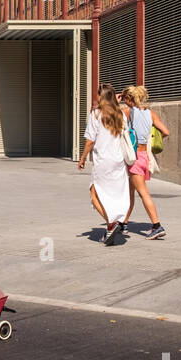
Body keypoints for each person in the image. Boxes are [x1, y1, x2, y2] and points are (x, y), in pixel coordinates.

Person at [77, 83, 131, 244]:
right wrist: (116, 102)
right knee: (113, 193)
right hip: (118, 161)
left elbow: (90, 141)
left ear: (101, 96)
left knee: (94, 194)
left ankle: (111, 223)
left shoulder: (96, 114)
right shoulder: (120, 114)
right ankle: (110, 229)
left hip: (102, 161)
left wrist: (82, 158)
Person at [121, 85, 170, 240]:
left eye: (124, 98)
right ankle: (123, 224)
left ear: (129, 98)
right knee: (130, 192)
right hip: (144, 156)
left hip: (133, 157)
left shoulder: (127, 112)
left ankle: (156, 225)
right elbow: (166, 132)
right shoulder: (151, 114)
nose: (123, 101)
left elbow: (109, 116)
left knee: (143, 193)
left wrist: (115, 101)